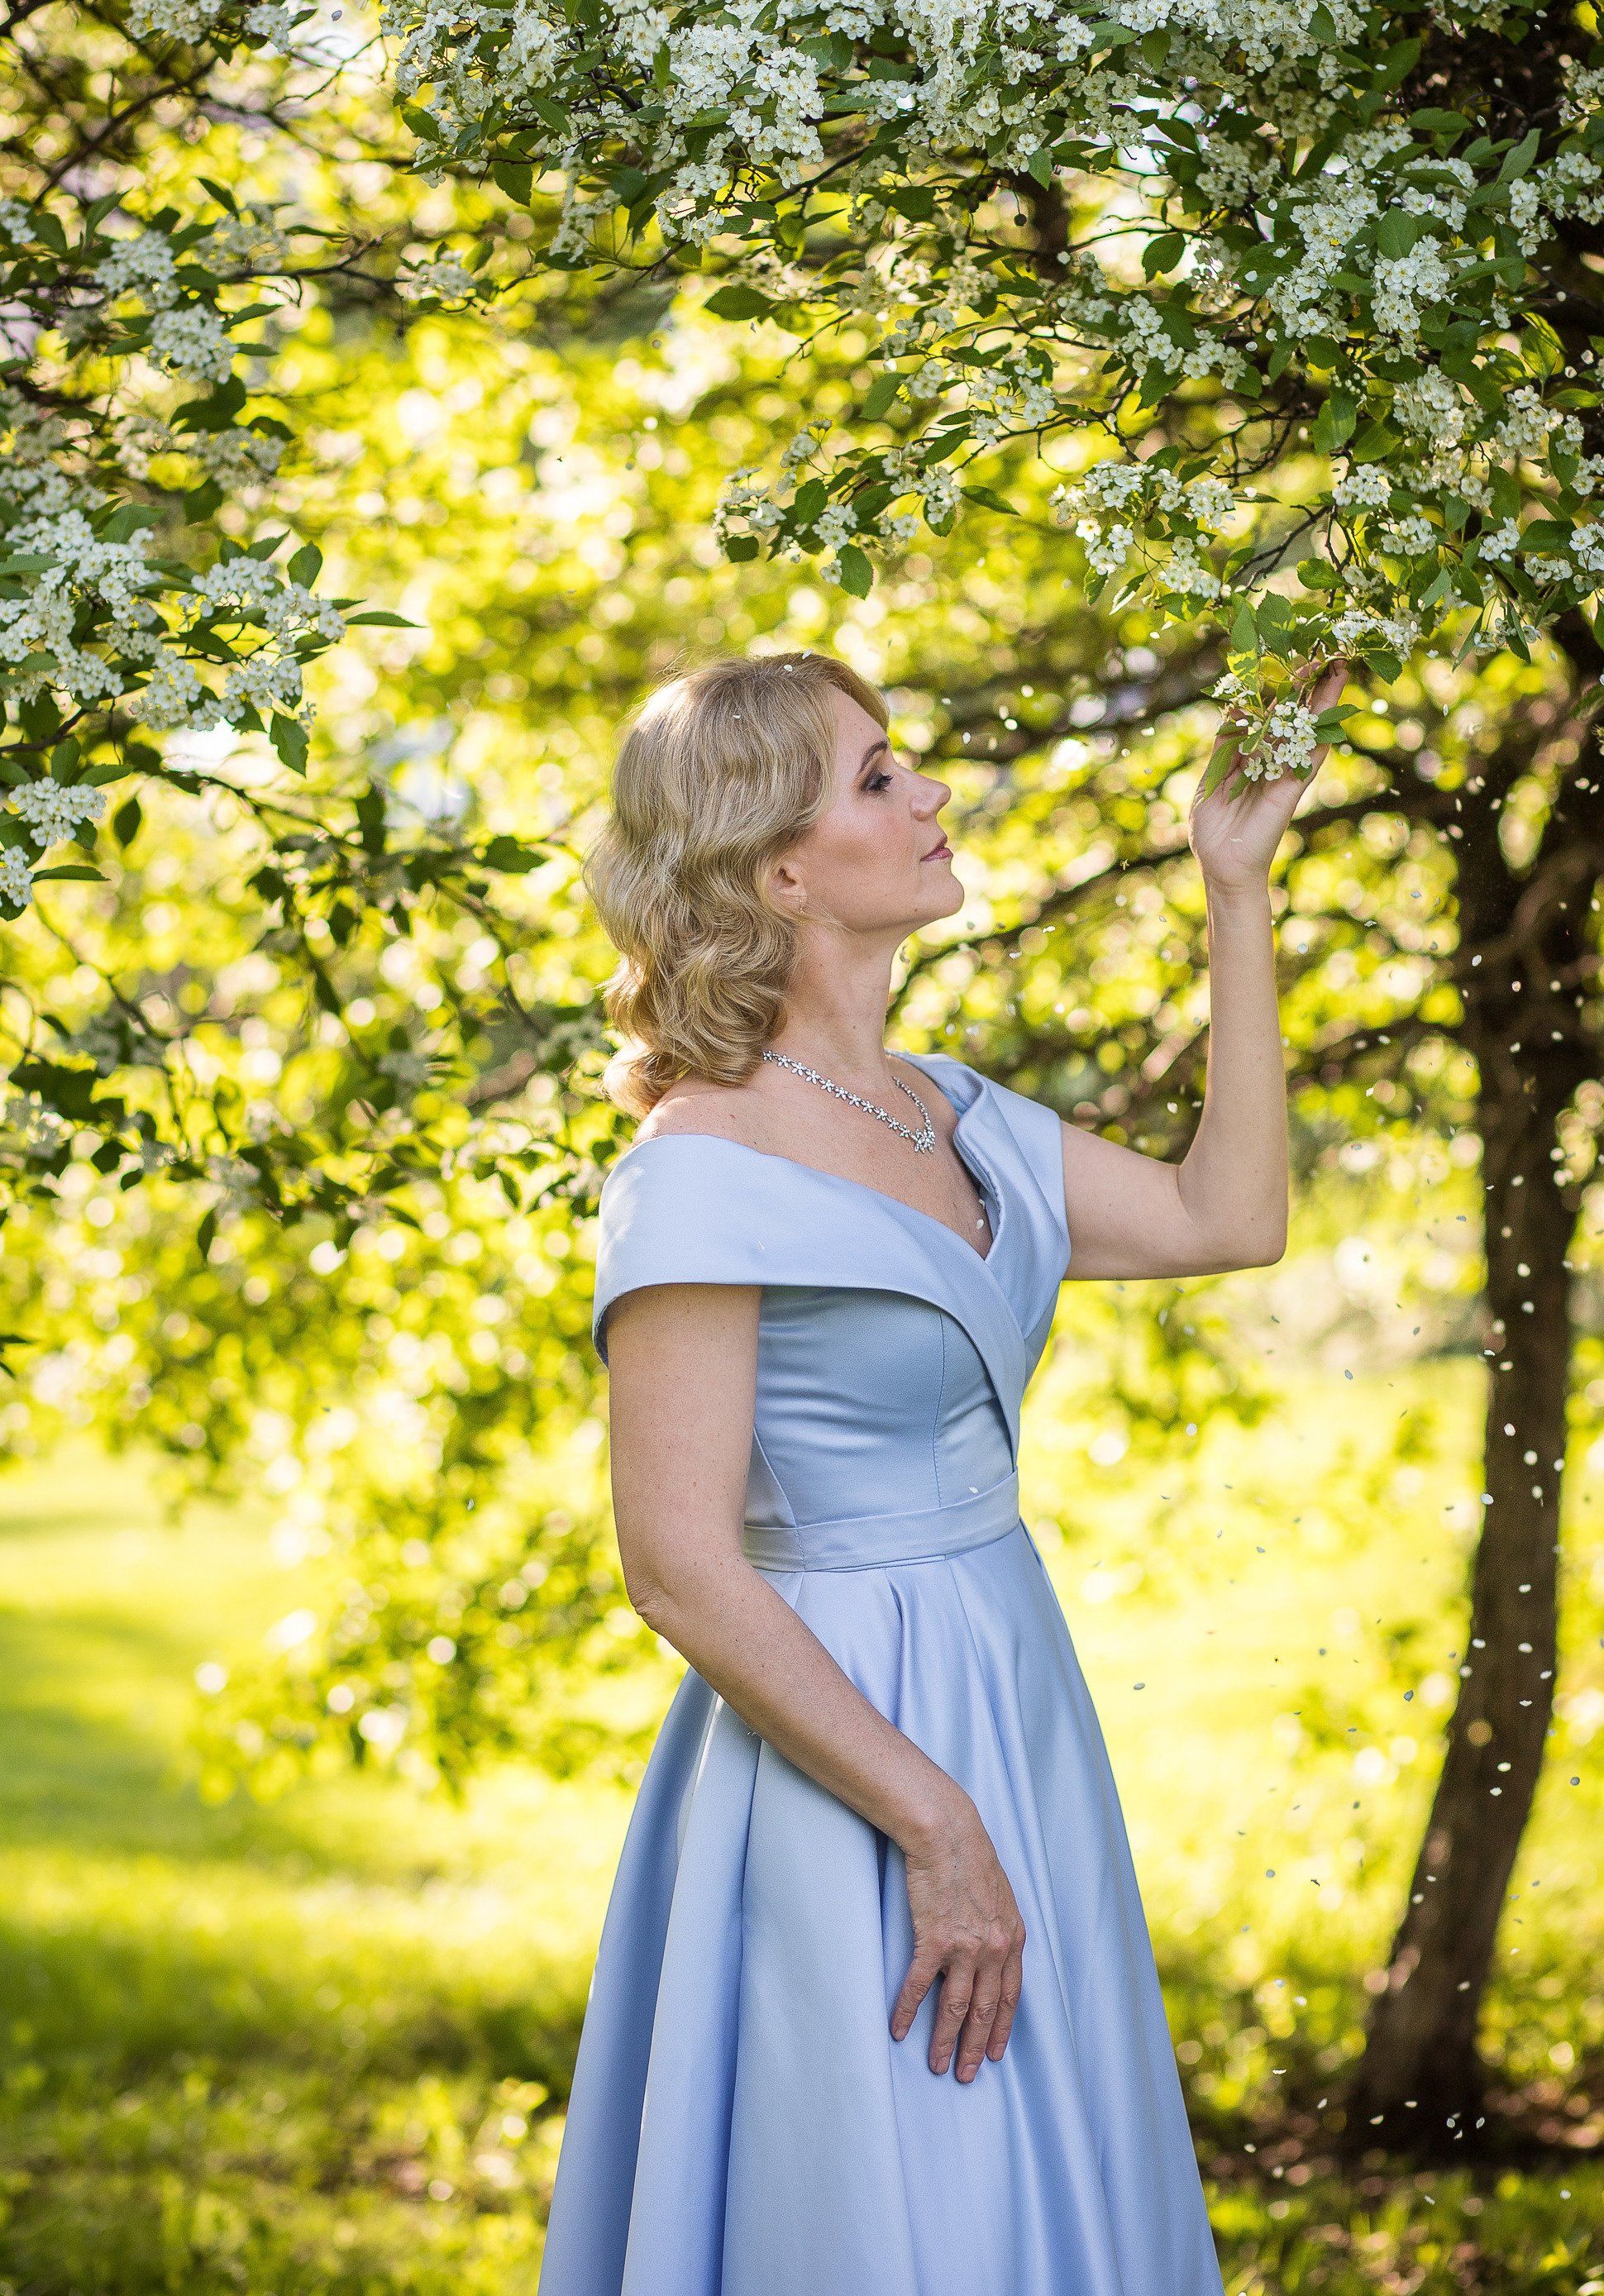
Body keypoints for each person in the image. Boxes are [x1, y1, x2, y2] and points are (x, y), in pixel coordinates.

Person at [537, 647, 1339, 2296]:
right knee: (892, 2190)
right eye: (879, 777)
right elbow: (678, 1565)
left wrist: (1236, 888)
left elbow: (1230, 1216)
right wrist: (933, 1817)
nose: (933, 793)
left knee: (1039, 2172)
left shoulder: (954, 1116)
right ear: (779, 870)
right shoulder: (698, 1168)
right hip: (845, 1746)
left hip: (1011, 1692)